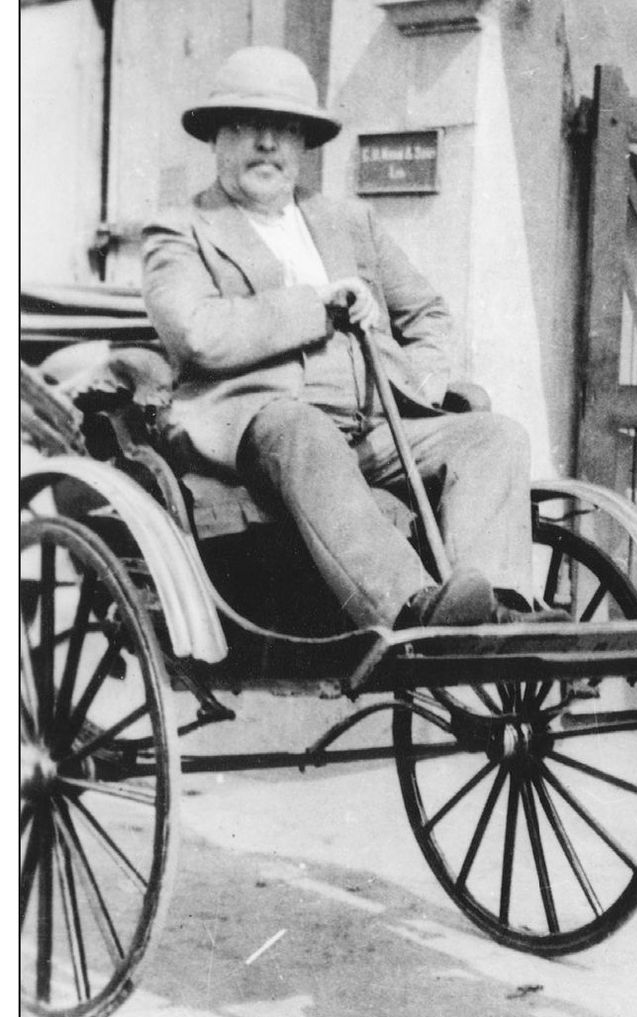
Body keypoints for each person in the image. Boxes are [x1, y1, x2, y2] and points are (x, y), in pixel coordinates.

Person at [143, 47, 557, 633]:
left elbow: (429, 315)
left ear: (302, 144)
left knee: (493, 436)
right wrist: (316, 305)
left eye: (284, 129)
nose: (268, 143)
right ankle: (409, 606)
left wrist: (421, 381)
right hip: (254, 428)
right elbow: (197, 333)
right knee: (299, 425)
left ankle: (496, 607)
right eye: (248, 126)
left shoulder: (347, 221)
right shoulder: (182, 230)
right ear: (217, 138)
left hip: (371, 426)